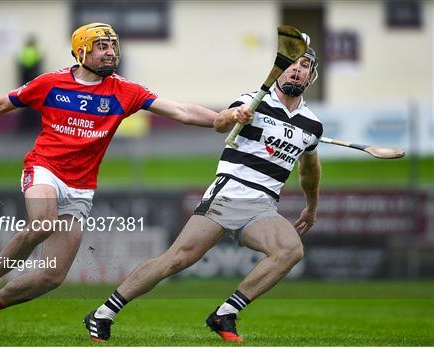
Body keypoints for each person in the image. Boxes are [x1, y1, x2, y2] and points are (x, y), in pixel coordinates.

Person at [0, 22, 217, 338]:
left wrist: (221, 119)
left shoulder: (125, 91)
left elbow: (181, 111)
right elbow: (1, 103)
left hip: (81, 187)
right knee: (43, 222)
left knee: (52, 275)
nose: (111, 53)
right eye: (102, 47)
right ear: (81, 51)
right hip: (44, 169)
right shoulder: (50, 83)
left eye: (113, 46)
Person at [84, 34, 322, 343]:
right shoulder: (253, 100)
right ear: (281, 69)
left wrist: (312, 206)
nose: (296, 70)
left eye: (304, 66)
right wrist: (234, 115)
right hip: (229, 193)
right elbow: (221, 123)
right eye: (291, 64)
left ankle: (226, 313)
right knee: (177, 259)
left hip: (263, 205)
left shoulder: (311, 125)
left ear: (310, 76)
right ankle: (104, 313)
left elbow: (309, 169)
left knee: (289, 251)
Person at [17, 35, 42, 131]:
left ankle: (25, 125)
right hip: (34, 79)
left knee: (24, 101)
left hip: (24, 80)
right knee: (35, 102)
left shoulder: (23, 51)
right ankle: (34, 124)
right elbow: (38, 64)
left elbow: (20, 65)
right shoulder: (36, 51)